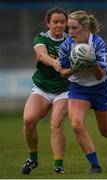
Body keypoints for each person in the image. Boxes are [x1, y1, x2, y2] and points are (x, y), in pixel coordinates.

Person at [58, 10, 107, 173]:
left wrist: (90, 61)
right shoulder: (66, 45)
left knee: (106, 131)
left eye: (74, 28)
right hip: (78, 88)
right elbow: (62, 72)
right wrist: (76, 67)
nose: (70, 32)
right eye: (69, 28)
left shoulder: (98, 44)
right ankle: (95, 165)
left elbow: (99, 75)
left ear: (85, 27)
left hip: (100, 88)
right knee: (76, 124)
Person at [21, 7, 69, 175]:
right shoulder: (41, 38)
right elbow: (41, 55)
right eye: (55, 22)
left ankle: (58, 166)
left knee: (56, 123)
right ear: (48, 23)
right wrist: (54, 62)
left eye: (62, 22)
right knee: (28, 120)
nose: (59, 25)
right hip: (42, 87)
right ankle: (33, 159)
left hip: (64, 90)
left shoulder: (71, 41)